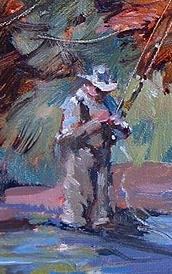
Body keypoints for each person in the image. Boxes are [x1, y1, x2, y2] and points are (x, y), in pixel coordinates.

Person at [55, 65, 130, 231]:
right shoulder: (75, 102)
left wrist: (121, 128)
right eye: (98, 89)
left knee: (102, 194)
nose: (102, 94)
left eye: (105, 91)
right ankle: (74, 228)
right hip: (78, 157)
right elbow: (68, 137)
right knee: (77, 194)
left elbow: (122, 130)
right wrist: (96, 123)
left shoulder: (109, 103)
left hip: (102, 156)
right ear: (87, 84)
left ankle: (101, 222)